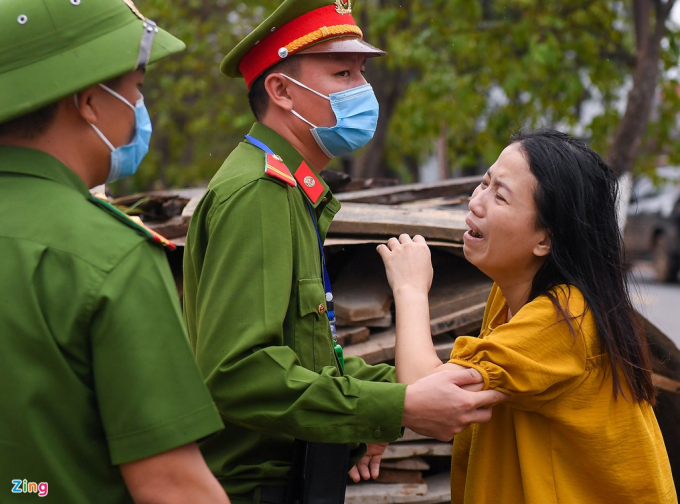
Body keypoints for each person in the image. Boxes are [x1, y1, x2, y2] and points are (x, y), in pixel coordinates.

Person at [182, 0, 505, 501]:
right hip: (258, 487)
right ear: (281, 90)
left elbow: (304, 353)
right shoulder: (259, 192)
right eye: (342, 73)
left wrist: (384, 396)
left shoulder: (292, 188)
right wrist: (391, 408)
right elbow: (240, 372)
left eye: (361, 73)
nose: (363, 90)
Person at [0, 1, 230, 503]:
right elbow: (170, 485)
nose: (140, 109)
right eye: (138, 89)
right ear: (88, 102)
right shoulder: (109, 254)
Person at [378, 129, 678, 504]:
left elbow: (426, 397)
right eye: (484, 182)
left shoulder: (561, 319)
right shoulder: (509, 294)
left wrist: (409, 290)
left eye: (500, 196)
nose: (476, 202)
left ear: (545, 240)